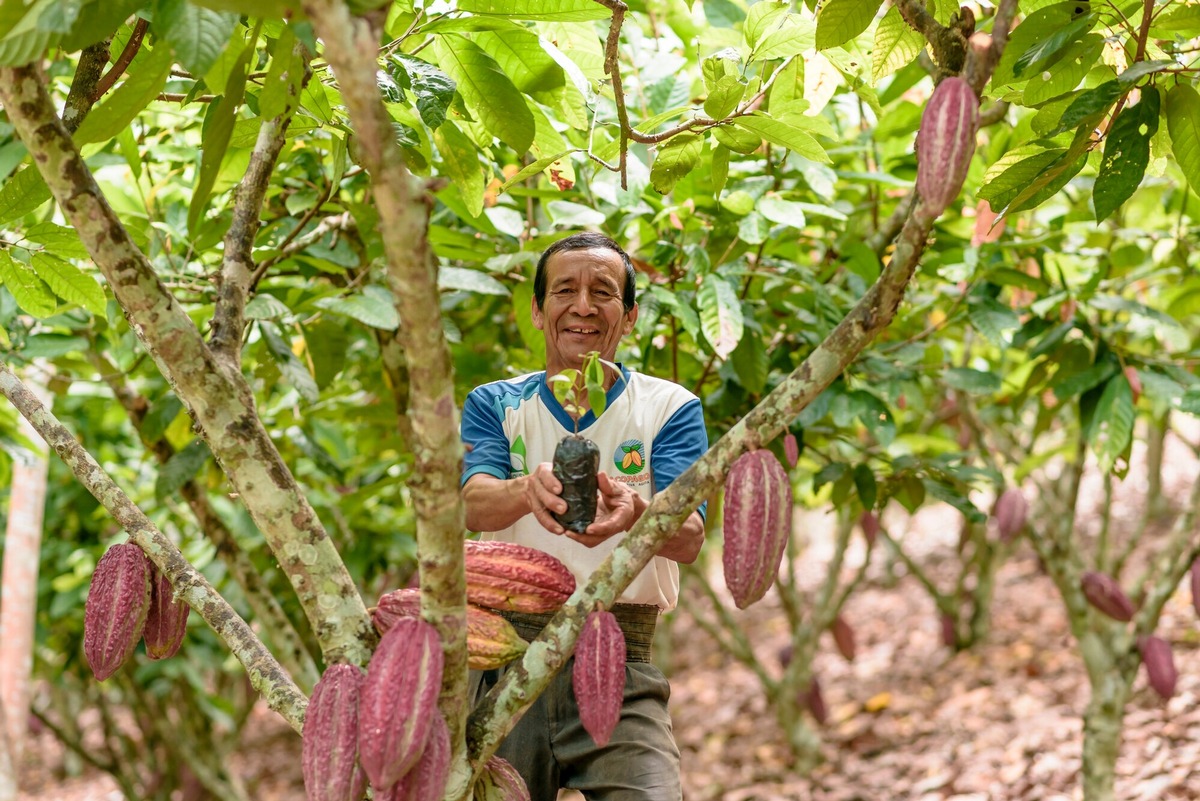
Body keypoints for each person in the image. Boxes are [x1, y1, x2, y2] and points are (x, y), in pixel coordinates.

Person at [460, 231, 708, 801]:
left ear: (630, 315)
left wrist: (638, 514)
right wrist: (527, 491)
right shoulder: (497, 403)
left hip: (620, 656)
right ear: (537, 309)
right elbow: (472, 501)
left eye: (603, 292)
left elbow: (690, 537)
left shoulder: (668, 408)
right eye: (564, 290)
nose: (583, 306)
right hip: (506, 656)